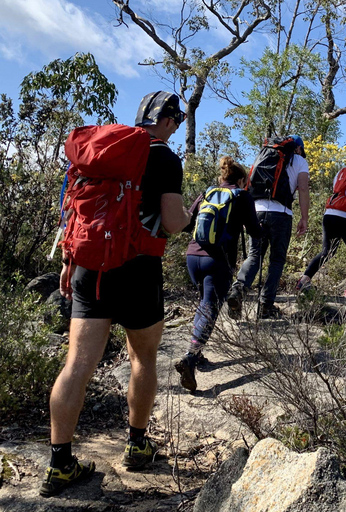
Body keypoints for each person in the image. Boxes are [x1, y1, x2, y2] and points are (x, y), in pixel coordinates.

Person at [41, 91, 191, 496]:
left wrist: (69, 261)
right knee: (142, 357)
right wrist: (190, 214)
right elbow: (174, 223)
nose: (176, 128)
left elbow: (77, 212)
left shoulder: (103, 150)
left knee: (77, 365)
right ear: (168, 120)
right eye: (175, 122)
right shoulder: (164, 158)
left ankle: (59, 465)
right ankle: (137, 445)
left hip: (89, 268)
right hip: (138, 269)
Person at [174, 157, 262, 392]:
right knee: (209, 308)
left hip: (193, 256)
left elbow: (186, 222)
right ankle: (190, 357)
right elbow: (255, 231)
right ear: (243, 180)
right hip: (218, 260)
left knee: (204, 304)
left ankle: (197, 354)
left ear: (222, 178)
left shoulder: (208, 193)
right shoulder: (242, 196)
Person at [226, 135, 310, 319]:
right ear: (298, 148)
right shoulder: (300, 161)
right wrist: (304, 217)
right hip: (282, 214)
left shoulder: (264, 156)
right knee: (277, 260)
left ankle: (237, 291)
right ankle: (266, 305)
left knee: (255, 255)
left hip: (256, 211)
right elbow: (303, 188)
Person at [296, 144, 346, 300]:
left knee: (327, 251)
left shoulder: (341, 171)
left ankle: (304, 279)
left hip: (329, 215)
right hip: (345, 217)